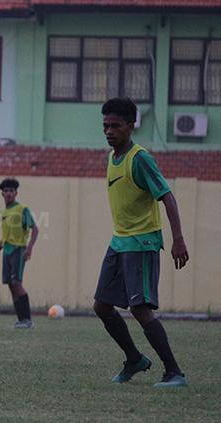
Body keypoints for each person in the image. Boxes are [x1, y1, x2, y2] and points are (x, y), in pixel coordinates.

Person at [94, 97, 189, 388]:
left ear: (131, 126)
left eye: (115, 126)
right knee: (102, 305)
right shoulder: (112, 157)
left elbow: (167, 196)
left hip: (142, 243)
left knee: (139, 308)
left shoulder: (140, 158)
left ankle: (174, 372)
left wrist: (178, 239)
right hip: (119, 242)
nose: (109, 131)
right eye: (105, 126)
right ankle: (134, 359)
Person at [0, 178, 38, 328]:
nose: (9, 193)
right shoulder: (3, 212)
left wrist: (29, 248)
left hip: (19, 250)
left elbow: (35, 229)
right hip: (7, 251)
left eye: (11, 191)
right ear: (2, 194)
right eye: (6, 191)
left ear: (16, 193)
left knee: (17, 283)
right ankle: (21, 320)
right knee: (10, 285)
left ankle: (27, 320)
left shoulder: (22, 209)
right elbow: (5, 237)